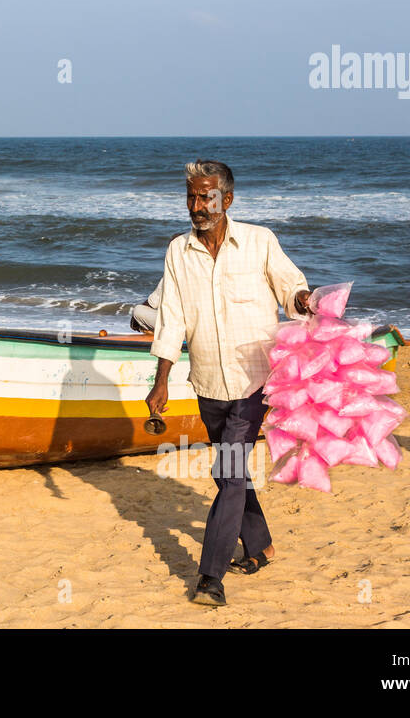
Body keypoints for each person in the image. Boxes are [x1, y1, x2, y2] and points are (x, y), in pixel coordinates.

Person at [144, 160, 311, 606]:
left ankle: (210, 578)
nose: (197, 206)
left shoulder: (259, 241)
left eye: (206, 197)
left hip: (254, 379)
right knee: (232, 473)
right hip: (206, 381)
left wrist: (303, 299)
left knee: (228, 471)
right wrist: (161, 379)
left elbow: (289, 286)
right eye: (192, 197)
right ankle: (260, 546)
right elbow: (171, 317)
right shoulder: (178, 251)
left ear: (227, 200)